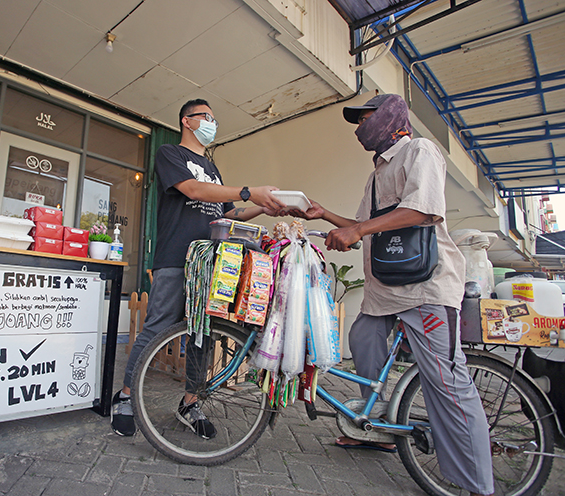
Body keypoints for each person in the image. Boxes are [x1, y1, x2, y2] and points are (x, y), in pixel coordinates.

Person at [297, 94, 494, 496]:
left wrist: (356, 231)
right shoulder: (377, 172)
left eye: (366, 117)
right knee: (363, 337)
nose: (360, 126)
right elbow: (365, 225)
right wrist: (326, 215)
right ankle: (375, 427)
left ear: (388, 118)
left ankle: (478, 483)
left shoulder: (420, 150)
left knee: (445, 382)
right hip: (387, 289)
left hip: (425, 287)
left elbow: (422, 211)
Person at [111, 98, 285, 439]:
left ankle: (190, 403)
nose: (212, 123)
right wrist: (250, 191)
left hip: (210, 263)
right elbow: (191, 189)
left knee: (201, 335)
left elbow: (228, 214)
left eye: (214, 118)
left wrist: (264, 207)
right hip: (176, 257)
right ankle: (126, 398)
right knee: (156, 328)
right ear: (186, 121)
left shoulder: (214, 170)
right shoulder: (170, 155)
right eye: (206, 117)